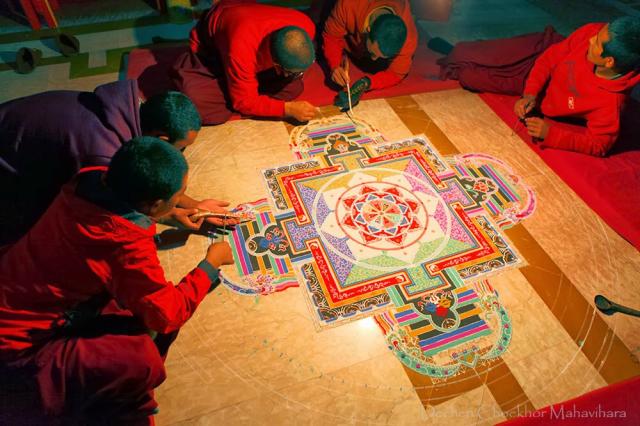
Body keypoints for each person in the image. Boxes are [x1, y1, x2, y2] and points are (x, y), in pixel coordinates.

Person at [0, 137, 235, 424]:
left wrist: (170, 214)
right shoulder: (123, 244)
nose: (182, 199)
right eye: (178, 196)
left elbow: (124, 212)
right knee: (140, 359)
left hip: (13, 280)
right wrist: (210, 265)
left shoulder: (90, 178)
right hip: (18, 347)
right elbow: (166, 315)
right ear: (153, 204)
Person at [0, 80, 229, 245]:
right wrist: (168, 217)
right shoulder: (105, 154)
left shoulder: (128, 109)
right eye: (180, 149)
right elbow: (110, 208)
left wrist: (195, 205)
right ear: (161, 139)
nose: (181, 155)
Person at [170, 0, 318, 125]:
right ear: (277, 65)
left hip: (248, 34)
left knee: (294, 87)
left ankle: (246, 90)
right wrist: (287, 109)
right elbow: (243, 101)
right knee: (197, 102)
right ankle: (244, 91)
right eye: (293, 72)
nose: (300, 75)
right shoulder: (241, 45)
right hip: (214, 51)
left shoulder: (306, 25)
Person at [513, 18, 640, 156]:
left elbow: (599, 145)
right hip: (538, 63)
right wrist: (530, 94)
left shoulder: (610, 103)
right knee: (489, 55)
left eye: (596, 43)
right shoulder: (594, 31)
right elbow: (549, 58)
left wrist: (551, 135)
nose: (591, 39)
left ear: (609, 61)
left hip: (539, 92)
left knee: (486, 73)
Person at [321, 0, 418, 109]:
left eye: (381, 57)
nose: (374, 59)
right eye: (373, 53)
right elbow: (331, 37)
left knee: (375, 66)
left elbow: (396, 73)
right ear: (367, 30)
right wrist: (335, 64)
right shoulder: (348, 4)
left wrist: (367, 83)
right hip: (347, 11)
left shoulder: (409, 39)